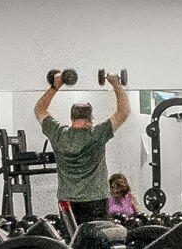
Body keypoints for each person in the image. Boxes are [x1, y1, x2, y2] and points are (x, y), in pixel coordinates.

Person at [35, 70, 129, 228]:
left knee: (72, 241)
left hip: (67, 200)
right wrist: (116, 84)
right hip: (95, 200)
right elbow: (123, 112)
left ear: (72, 118)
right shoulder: (96, 134)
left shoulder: (58, 132)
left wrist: (55, 86)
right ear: (89, 119)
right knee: (97, 242)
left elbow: (39, 110)